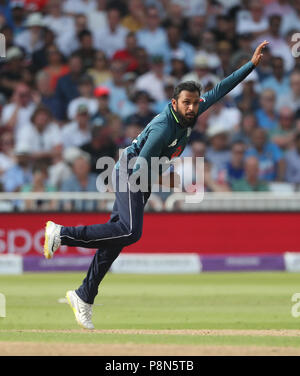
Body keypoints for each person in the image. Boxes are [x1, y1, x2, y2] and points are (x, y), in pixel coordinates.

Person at [43, 41, 269, 330]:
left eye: (194, 102)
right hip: (131, 173)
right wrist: (171, 181)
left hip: (142, 177)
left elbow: (222, 89)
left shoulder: (193, 112)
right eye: (185, 102)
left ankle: (83, 296)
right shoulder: (164, 127)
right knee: (129, 231)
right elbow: (139, 168)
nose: (191, 107)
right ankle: (61, 233)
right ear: (174, 103)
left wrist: (250, 65)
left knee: (117, 238)